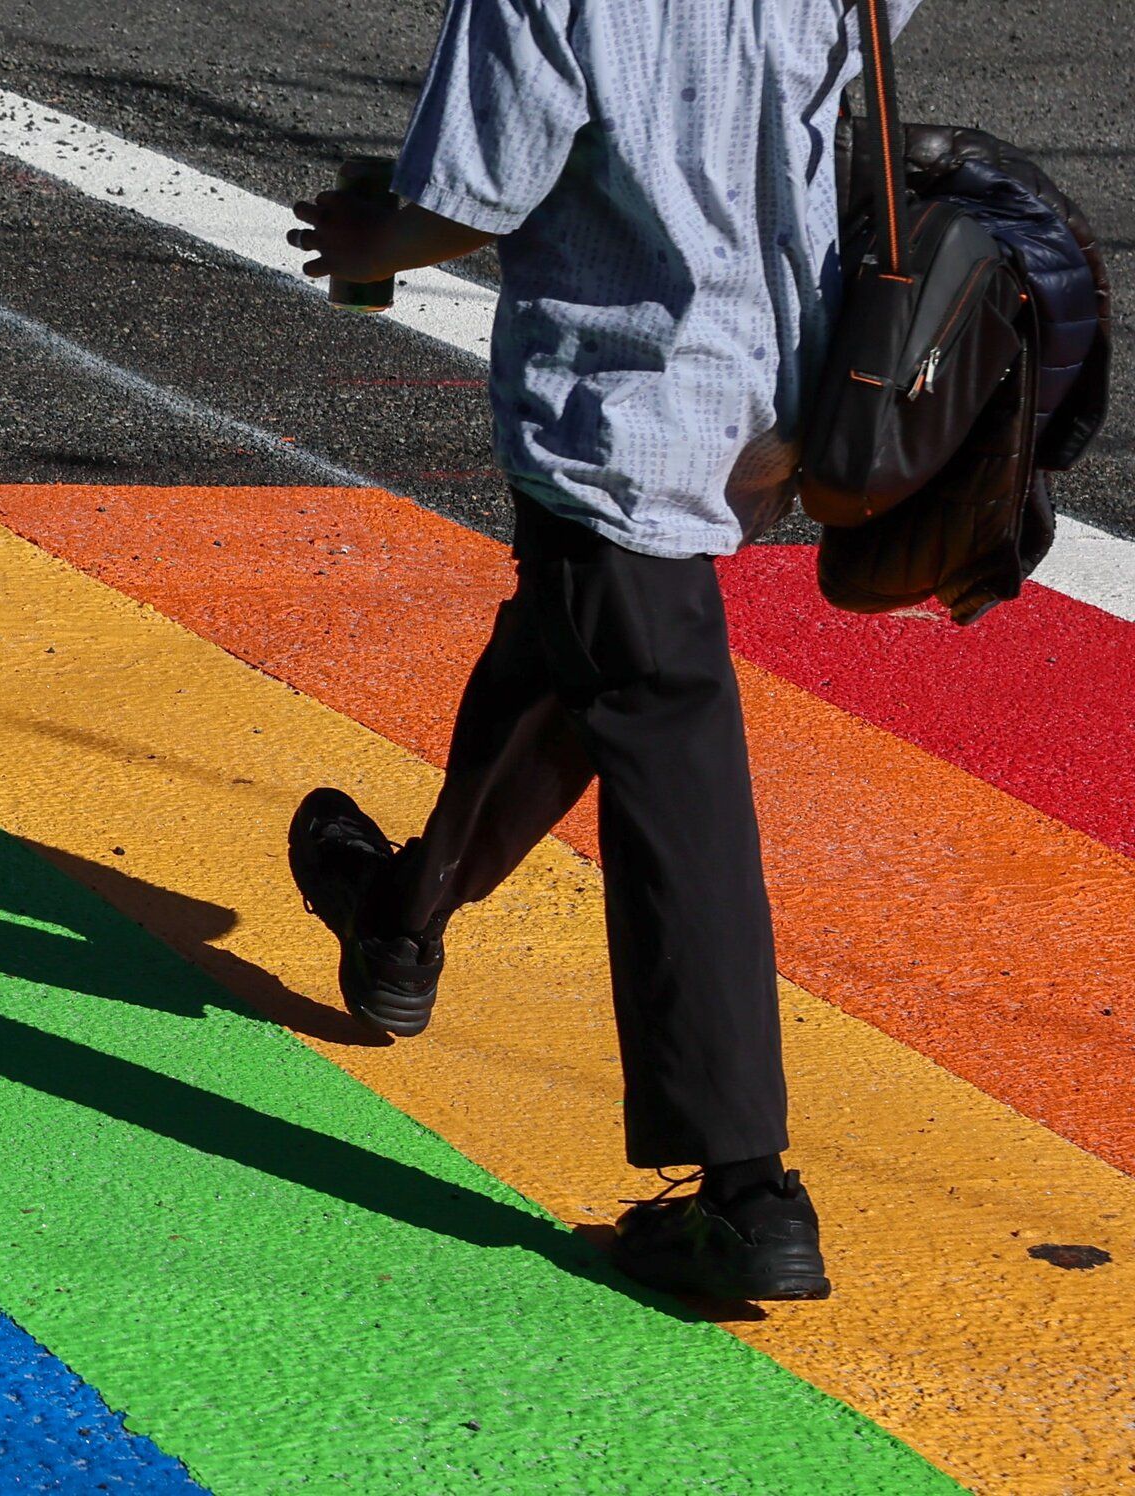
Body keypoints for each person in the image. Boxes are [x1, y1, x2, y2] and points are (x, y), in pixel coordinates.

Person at [284, 0, 920, 1302]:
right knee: (577, 658)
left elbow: (478, 190)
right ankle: (400, 919)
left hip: (619, 407)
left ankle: (748, 1187)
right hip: (773, 395)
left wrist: (371, 237)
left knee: (660, 718)